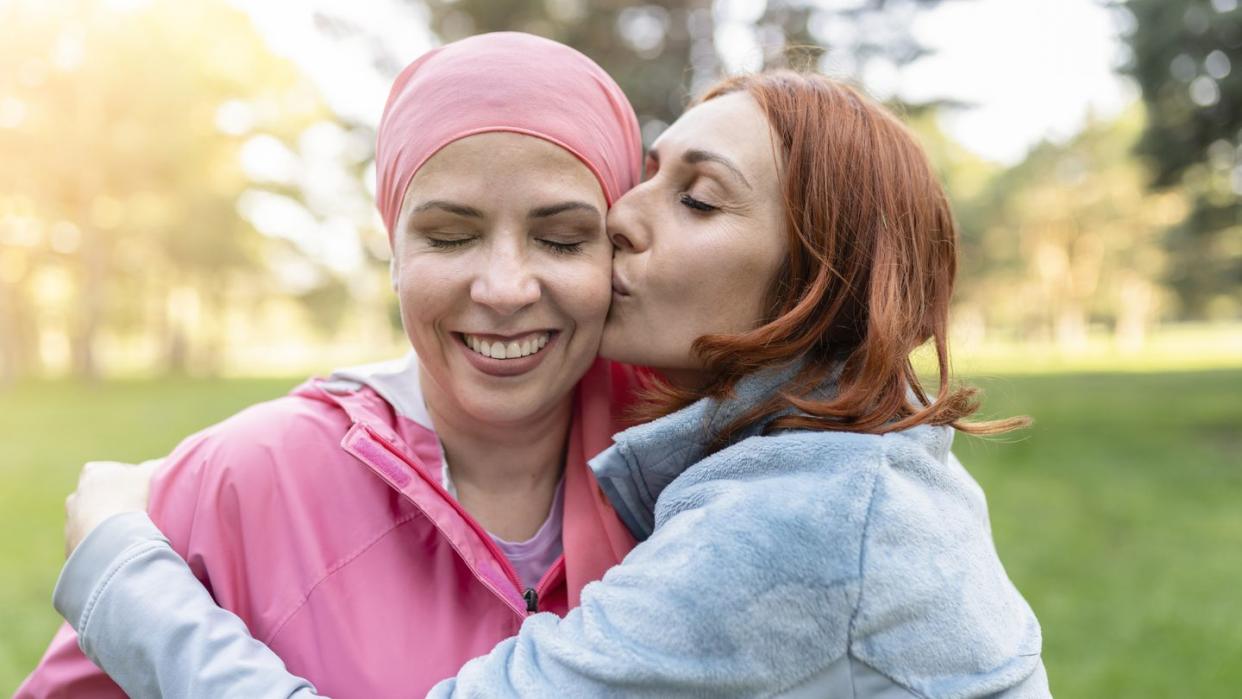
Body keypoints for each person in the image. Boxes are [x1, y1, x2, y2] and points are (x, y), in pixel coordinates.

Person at [44, 68, 1052, 697]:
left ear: (814, 282)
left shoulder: (806, 521)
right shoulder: (792, 469)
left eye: (695, 199)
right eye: (645, 176)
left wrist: (120, 574)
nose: (625, 219)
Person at [16, 31, 645, 698]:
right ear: (394, 251)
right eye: (451, 236)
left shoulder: (694, 481)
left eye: (562, 239)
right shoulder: (234, 480)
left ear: (619, 252)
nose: (504, 286)